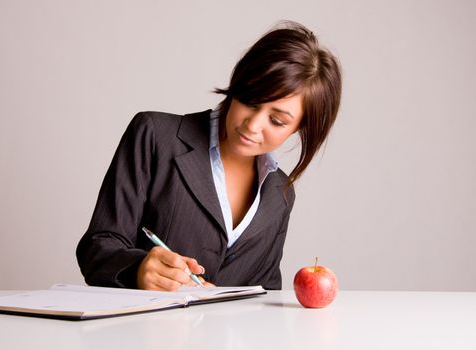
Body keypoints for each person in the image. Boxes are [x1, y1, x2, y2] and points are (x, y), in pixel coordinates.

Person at [76, 21, 342, 291]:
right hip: (140, 332)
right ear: (237, 84)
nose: (253, 125)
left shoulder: (280, 195)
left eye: (277, 120)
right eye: (249, 101)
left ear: (300, 127)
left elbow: (265, 293)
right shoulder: (155, 136)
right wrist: (137, 268)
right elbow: (97, 247)